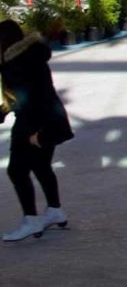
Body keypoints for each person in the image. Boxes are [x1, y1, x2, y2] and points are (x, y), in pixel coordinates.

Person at [0, 20, 74, 242]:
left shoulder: (16, 64)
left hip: (33, 122)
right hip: (48, 118)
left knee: (17, 171)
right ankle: (55, 210)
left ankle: (31, 221)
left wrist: (38, 133)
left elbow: (30, 99)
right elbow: (25, 96)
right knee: (41, 166)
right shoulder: (30, 56)